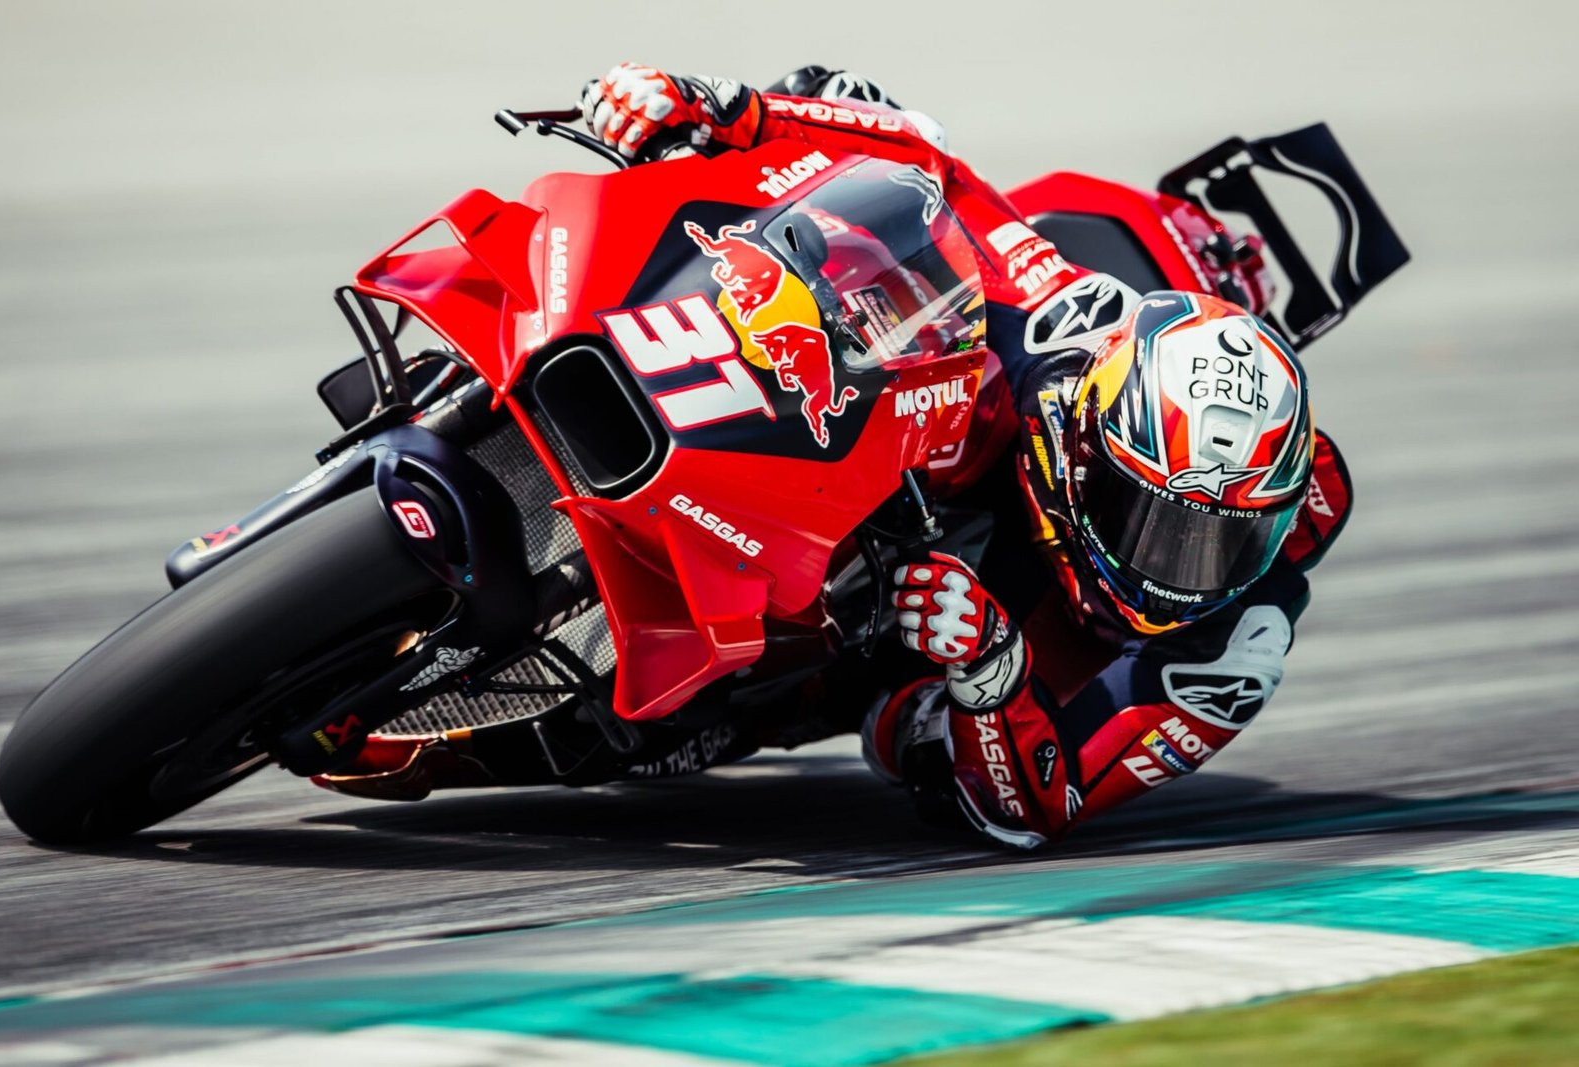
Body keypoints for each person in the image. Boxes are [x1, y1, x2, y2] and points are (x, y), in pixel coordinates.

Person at [318, 65, 1353, 849]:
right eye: (1161, 524)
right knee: (831, 174)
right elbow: (927, 161)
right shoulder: (1058, 324)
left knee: (850, 728)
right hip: (931, 450)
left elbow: (1043, 803)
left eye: (1220, 540)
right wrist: (725, 111)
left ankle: (479, 724)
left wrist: (989, 670)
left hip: (952, 650)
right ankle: (486, 376)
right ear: (1091, 438)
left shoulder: (1233, 644)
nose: (1182, 567)